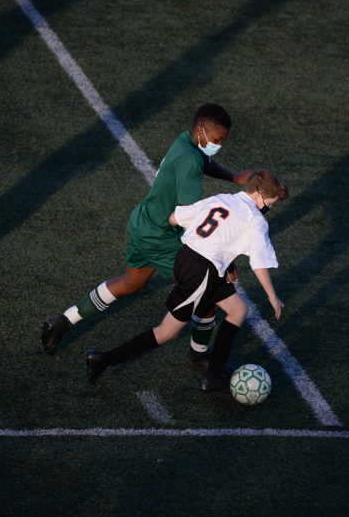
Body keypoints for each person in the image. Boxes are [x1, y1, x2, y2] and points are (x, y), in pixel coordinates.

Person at [41, 103, 253, 371]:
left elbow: (204, 161)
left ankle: (62, 321)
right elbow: (189, 215)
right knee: (208, 286)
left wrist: (233, 177)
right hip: (160, 236)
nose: (218, 145)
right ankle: (198, 355)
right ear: (201, 130)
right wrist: (222, 259)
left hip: (143, 222)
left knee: (131, 282)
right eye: (217, 140)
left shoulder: (185, 141)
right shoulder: (190, 160)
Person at [85, 169, 288, 391]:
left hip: (186, 259)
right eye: (270, 203)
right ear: (259, 195)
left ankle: (213, 376)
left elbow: (175, 218)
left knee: (238, 310)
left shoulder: (222, 198)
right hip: (203, 272)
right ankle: (103, 360)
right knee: (167, 331)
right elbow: (259, 263)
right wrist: (272, 296)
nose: (268, 208)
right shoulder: (256, 219)